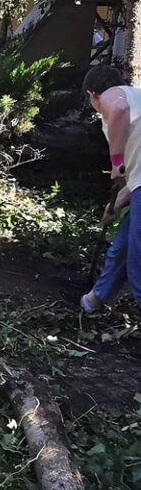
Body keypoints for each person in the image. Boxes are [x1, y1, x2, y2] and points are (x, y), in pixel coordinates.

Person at [80, 65, 141, 313]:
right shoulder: (136, 96)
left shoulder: (112, 96)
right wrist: (114, 206)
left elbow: (118, 109)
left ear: (92, 95)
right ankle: (96, 299)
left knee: (139, 266)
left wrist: (116, 162)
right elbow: (135, 181)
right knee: (125, 246)